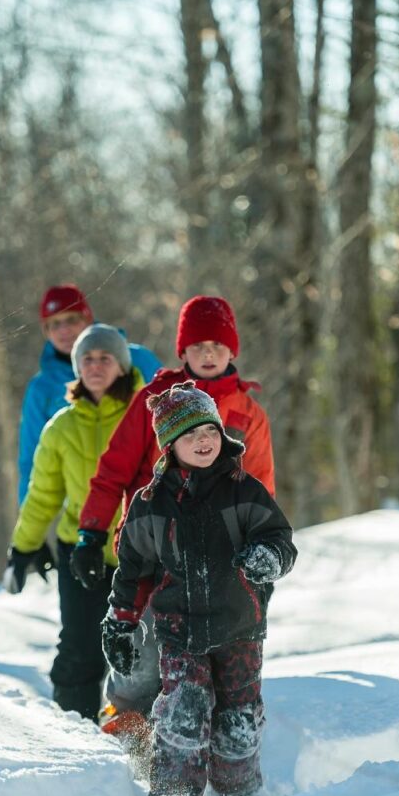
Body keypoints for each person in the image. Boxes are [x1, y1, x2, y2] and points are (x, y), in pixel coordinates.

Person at [70, 295, 277, 728]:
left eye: (216, 345)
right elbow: (112, 473)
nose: (207, 353)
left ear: (231, 351)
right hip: (153, 551)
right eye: (197, 345)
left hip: (221, 562)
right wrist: (90, 533)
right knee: (143, 654)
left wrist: (265, 557)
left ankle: (208, 742)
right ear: (181, 350)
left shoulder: (248, 414)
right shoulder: (153, 400)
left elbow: (262, 492)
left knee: (213, 659)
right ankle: (127, 724)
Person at [100, 381, 297, 796]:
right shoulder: (150, 504)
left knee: (238, 719)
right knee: (182, 711)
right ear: (169, 445)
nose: (203, 440)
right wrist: (121, 622)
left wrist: (269, 556)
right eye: (189, 434)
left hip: (240, 627)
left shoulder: (244, 490)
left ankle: (239, 795)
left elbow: (280, 539)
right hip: (178, 630)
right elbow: (133, 573)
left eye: (209, 430)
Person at [4, 323, 144, 718]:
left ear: (122, 365)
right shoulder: (61, 427)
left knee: (141, 650)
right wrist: (23, 547)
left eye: (105, 358)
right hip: (80, 552)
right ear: (77, 366)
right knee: (80, 647)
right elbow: (43, 496)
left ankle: (139, 735)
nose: (95, 366)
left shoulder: (144, 417)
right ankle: (76, 737)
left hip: (140, 554)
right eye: (87, 358)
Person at [18, 283, 161, 503]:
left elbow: (172, 416)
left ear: (88, 319)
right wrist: (31, 523)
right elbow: (32, 459)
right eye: (54, 324)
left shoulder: (139, 361)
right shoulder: (41, 389)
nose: (64, 330)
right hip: (82, 508)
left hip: (143, 494)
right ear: (45, 331)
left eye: (71, 319)